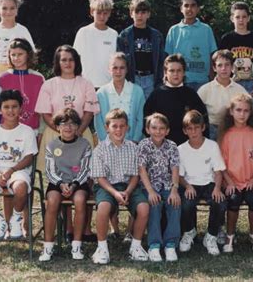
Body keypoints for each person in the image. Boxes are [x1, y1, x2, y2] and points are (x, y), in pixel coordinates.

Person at [35, 45, 99, 241]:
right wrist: (62, 131)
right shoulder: (49, 84)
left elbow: (89, 111)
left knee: (84, 181)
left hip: (82, 134)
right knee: (60, 180)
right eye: (63, 60)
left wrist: (77, 131)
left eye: (71, 59)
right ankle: (68, 229)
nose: (67, 63)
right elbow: (45, 113)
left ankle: (86, 229)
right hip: (56, 136)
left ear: (76, 62)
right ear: (58, 62)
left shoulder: (85, 83)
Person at [90, 109, 150, 264]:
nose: (118, 130)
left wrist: (128, 191)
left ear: (127, 127)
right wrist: (115, 193)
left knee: (143, 208)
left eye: (122, 126)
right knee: (103, 207)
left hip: (129, 185)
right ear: (107, 128)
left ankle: (136, 246)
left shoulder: (133, 148)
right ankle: (102, 248)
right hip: (107, 186)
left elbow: (135, 175)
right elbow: (100, 178)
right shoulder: (100, 149)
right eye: (114, 126)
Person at [0, 90, 38, 241]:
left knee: (21, 188)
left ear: (20, 108)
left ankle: (15, 219)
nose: (10, 110)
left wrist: (12, 170)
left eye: (14, 106)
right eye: (6, 107)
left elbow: (29, 157)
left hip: (18, 171)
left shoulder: (27, 131)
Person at [39, 108, 92, 261]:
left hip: (78, 182)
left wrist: (74, 185)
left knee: (80, 200)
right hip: (58, 182)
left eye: (72, 124)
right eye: (64, 124)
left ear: (77, 127)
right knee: (53, 201)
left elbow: (85, 169)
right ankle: (48, 246)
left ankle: (76, 244)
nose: (68, 127)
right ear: (57, 126)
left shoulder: (85, 144)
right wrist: (61, 184)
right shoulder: (51, 145)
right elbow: (50, 171)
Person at [217, 93, 253, 253]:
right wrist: (229, 182)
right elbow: (221, 164)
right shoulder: (226, 136)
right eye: (238, 110)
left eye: (246, 111)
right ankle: (230, 237)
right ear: (231, 112)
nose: (242, 114)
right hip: (231, 181)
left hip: (251, 180)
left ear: (251, 113)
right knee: (233, 201)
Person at [178, 110, 226, 256]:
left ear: (203, 127)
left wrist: (217, 188)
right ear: (185, 131)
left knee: (220, 202)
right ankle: (189, 232)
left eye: (197, 127)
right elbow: (179, 175)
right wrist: (187, 186)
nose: (194, 132)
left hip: (208, 183)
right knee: (186, 204)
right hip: (189, 183)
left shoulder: (212, 146)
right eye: (190, 129)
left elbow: (218, 172)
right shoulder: (180, 149)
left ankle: (211, 236)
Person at [138, 113, 181, 262]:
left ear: (167, 131)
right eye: (154, 128)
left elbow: (175, 169)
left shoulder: (172, 146)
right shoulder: (144, 145)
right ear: (148, 129)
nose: (158, 131)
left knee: (174, 203)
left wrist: (174, 190)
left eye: (162, 128)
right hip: (149, 186)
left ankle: (170, 244)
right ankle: (154, 245)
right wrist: (150, 191)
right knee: (154, 204)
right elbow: (141, 169)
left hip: (168, 185)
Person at [144, 54, 209, 145]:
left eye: (179, 70)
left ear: (184, 72)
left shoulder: (191, 95)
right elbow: (146, 122)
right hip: (162, 147)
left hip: (187, 147)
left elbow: (203, 122)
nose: (175, 74)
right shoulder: (156, 95)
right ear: (165, 72)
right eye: (172, 70)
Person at [165, 0, 217, 91]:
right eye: (186, 5)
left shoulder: (206, 30)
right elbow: (168, 59)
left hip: (202, 81)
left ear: (198, 9)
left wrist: (212, 78)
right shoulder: (174, 30)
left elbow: (212, 56)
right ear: (181, 8)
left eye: (193, 6)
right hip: (179, 81)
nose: (189, 9)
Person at [0, 38, 45, 133]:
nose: (16, 58)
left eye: (20, 54)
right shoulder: (1, 78)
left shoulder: (39, 78)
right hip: (7, 131)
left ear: (28, 55)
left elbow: (44, 108)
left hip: (33, 131)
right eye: (13, 55)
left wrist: (41, 132)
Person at [117, 0, 165, 98]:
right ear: (131, 14)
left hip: (151, 78)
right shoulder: (124, 36)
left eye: (143, 12)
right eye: (137, 12)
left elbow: (161, 61)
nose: (140, 15)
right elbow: (120, 61)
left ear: (148, 14)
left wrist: (160, 80)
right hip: (132, 78)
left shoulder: (157, 36)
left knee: (150, 109)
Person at [219, 1, 253, 104]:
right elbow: (220, 63)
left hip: (251, 83)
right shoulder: (226, 39)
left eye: (244, 17)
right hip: (232, 82)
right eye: (237, 17)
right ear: (232, 18)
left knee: (250, 116)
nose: (241, 20)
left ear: (248, 18)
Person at [94, 52, 145, 143]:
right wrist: (106, 142)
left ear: (127, 69)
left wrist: (135, 140)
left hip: (131, 143)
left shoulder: (138, 91)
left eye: (122, 68)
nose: (118, 71)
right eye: (115, 68)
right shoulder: (101, 93)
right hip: (108, 145)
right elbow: (98, 121)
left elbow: (141, 118)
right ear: (109, 69)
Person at [197, 49, 247, 140]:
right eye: (220, 65)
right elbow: (196, 114)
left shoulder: (240, 90)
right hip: (211, 130)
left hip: (234, 130)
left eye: (227, 65)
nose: (224, 68)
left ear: (232, 67)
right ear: (214, 68)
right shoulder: (205, 90)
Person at [73, 0, 118, 89]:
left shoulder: (114, 34)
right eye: (98, 12)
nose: (102, 16)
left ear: (109, 13)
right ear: (91, 11)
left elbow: (117, 62)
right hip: (85, 86)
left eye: (105, 13)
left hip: (108, 87)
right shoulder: (83, 32)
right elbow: (75, 59)